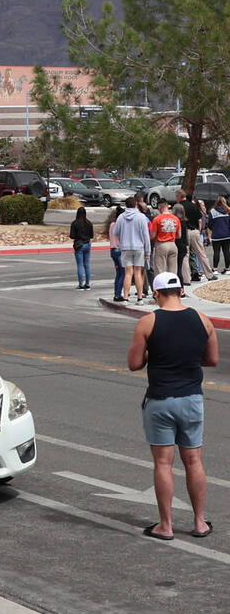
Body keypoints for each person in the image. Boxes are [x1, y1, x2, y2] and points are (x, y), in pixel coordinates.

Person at [128, 272, 217, 541]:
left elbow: (134, 363)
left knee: (163, 463)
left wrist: (152, 355)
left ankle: (165, 525)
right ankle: (200, 522)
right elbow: (212, 359)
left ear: (156, 294)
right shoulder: (203, 320)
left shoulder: (148, 322)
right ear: (180, 291)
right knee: (193, 460)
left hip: (160, 400)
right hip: (191, 398)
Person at [113, 194, 152, 304]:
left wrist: (120, 241)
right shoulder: (141, 217)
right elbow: (146, 235)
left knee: (128, 273)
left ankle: (125, 297)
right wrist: (147, 252)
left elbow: (115, 232)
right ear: (136, 204)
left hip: (125, 247)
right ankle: (140, 297)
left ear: (126, 205)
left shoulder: (121, 217)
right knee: (138, 273)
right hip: (139, 247)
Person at [176, 190, 216, 283]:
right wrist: (199, 230)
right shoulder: (193, 206)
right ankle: (209, 274)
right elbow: (200, 219)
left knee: (185, 255)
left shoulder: (179, 207)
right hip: (195, 231)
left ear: (179, 196)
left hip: (184, 232)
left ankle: (186, 279)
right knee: (201, 253)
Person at [149, 202, 182, 278]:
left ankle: (161, 288)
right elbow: (179, 235)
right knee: (173, 270)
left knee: (160, 270)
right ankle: (173, 287)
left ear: (160, 207)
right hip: (173, 244)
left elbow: (152, 235)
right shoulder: (176, 219)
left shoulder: (157, 219)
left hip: (161, 244)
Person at [70, 207, 94, 290]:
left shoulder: (75, 223)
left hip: (79, 245)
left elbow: (72, 236)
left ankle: (81, 284)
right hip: (87, 244)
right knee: (87, 265)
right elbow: (91, 236)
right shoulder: (89, 223)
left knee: (80, 265)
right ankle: (87, 284)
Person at [106, 206, 126, 302]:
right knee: (123, 273)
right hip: (119, 249)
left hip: (113, 249)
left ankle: (116, 293)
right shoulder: (120, 225)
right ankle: (118, 293)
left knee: (118, 273)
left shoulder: (112, 224)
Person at [208, 197, 230, 272]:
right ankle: (227, 268)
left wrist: (213, 229)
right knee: (226, 251)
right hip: (227, 234)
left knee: (216, 251)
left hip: (216, 235)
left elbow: (210, 223)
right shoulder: (227, 210)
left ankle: (215, 268)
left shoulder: (212, 211)